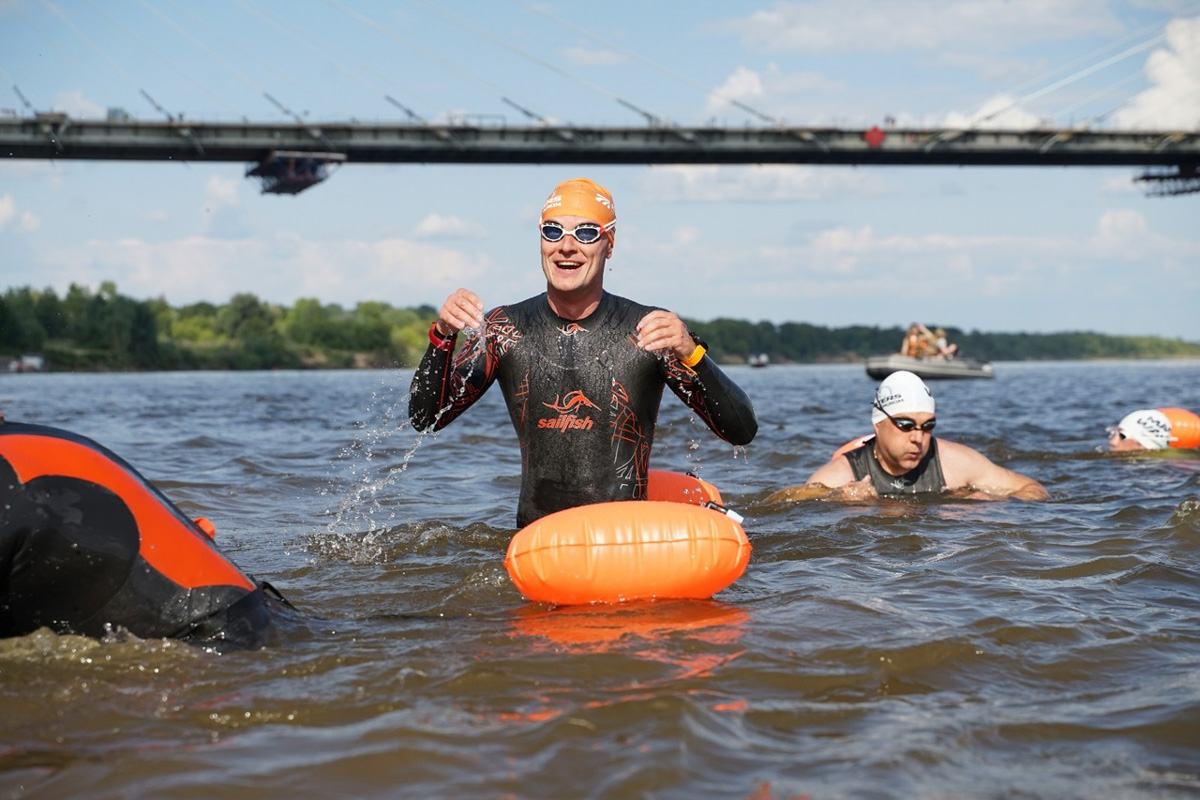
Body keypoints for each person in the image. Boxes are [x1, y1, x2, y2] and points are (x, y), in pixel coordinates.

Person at [408, 178, 758, 528]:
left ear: (609, 244)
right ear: (540, 240)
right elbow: (426, 419)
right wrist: (442, 336)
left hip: (624, 540)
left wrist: (691, 352)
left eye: (587, 232)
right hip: (539, 543)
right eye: (553, 231)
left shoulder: (650, 331)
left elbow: (740, 430)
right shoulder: (504, 330)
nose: (567, 246)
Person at [804, 370, 1048, 501]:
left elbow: (1033, 488)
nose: (918, 438)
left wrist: (996, 503)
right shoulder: (843, 474)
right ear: (878, 425)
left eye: (927, 426)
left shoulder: (956, 463)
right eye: (906, 425)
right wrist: (836, 498)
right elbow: (780, 505)